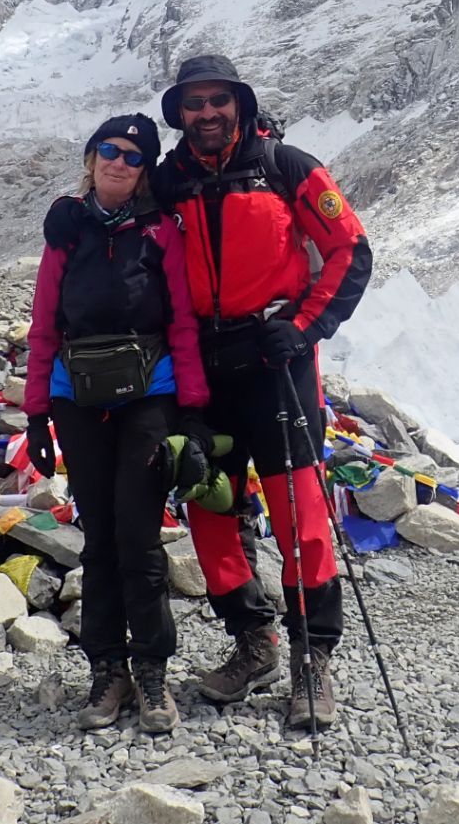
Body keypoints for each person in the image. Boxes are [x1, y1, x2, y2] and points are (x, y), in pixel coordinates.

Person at [150, 54, 372, 728]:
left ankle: (314, 660)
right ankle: (254, 643)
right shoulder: (166, 182)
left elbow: (350, 248)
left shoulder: (287, 166)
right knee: (212, 512)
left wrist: (303, 327)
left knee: (302, 518)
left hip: (276, 361)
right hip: (202, 371)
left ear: (240, 106)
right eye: (195, 103)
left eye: (220, 100)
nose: (208, 113)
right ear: (180, 113)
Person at [23, 114, 212, 734]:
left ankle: (152, 670)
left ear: (144, 172)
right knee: (100, 535)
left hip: (148, 397)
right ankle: (108, 668)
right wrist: (35, 415)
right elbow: (45, 323)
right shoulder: (65, 229)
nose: (120, 162)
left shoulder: (161, 232)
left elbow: (182, 323)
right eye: (110, 150)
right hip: (76, 399)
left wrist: (193, 412)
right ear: (91, 156)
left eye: (135, 157)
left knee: (138, 535)